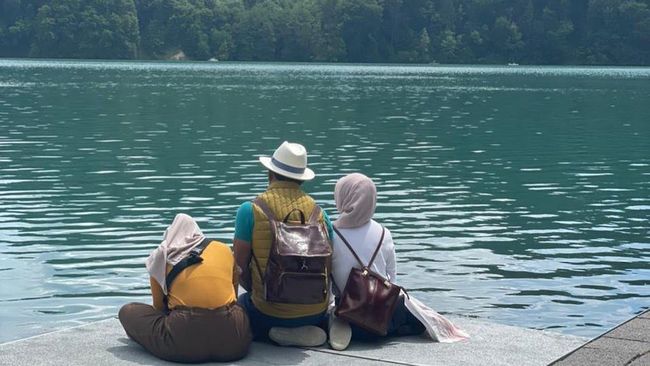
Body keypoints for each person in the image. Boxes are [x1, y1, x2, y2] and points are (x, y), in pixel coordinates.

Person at [329, 173, 468, 350]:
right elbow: (392, 279)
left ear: (343, 198)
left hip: (349, 315)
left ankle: (339, 327)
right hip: (383, 318)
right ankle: (397, 328)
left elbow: (327, 281)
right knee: (410, 309)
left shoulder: (331, 235)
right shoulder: (383, 233)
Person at [233, 141, 335, 347]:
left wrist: (256, 290)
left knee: (243, 306)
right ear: (301, 180)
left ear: (270, 174)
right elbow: (328, 265)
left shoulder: (249, 210)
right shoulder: (321, 214)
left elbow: (238, 268)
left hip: (266, 312)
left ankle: (272, 332)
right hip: (315, 312)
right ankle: (316, 327)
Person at [118, 214, 252, 363]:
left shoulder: (162, 256)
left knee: (127, 311)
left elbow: (159, 308)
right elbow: (233, 294)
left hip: (184, 344)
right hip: (233, 341)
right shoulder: (223, 249)